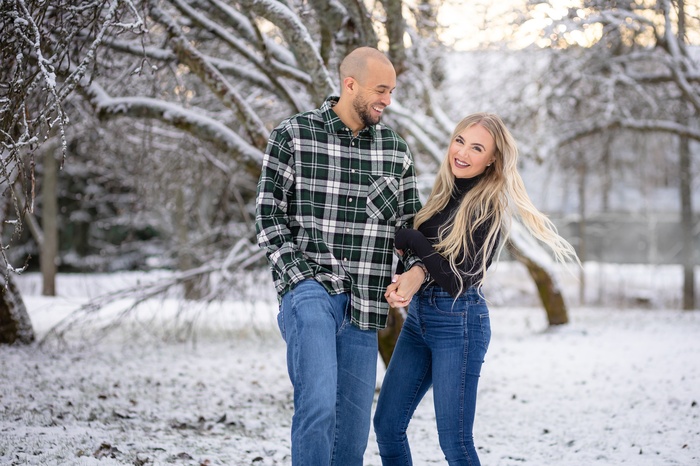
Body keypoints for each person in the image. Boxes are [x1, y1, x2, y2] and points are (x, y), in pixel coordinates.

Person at [373, 113, 580, 465]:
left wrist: (412, 239)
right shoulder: (443, 195)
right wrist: (403, 275)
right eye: (460, 141)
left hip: (460, 324)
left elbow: (458, 279)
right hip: (419, 319)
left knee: (455, 442)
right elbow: (432, 259)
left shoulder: (489, 207)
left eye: (477, 148)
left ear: (492, 159)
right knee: (387, 426)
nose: (463, 153)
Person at [255, 46, 428, 465]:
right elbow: (267, 215)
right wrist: (298, 277)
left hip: (365, 305)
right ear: (350, 84)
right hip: (310, 291)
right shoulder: (294, 135)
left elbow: (411, 229)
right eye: (381, 90)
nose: (388, 100)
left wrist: (414, 272)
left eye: (391, 91)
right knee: (317, 404)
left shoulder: (394, 150)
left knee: (351, 436)